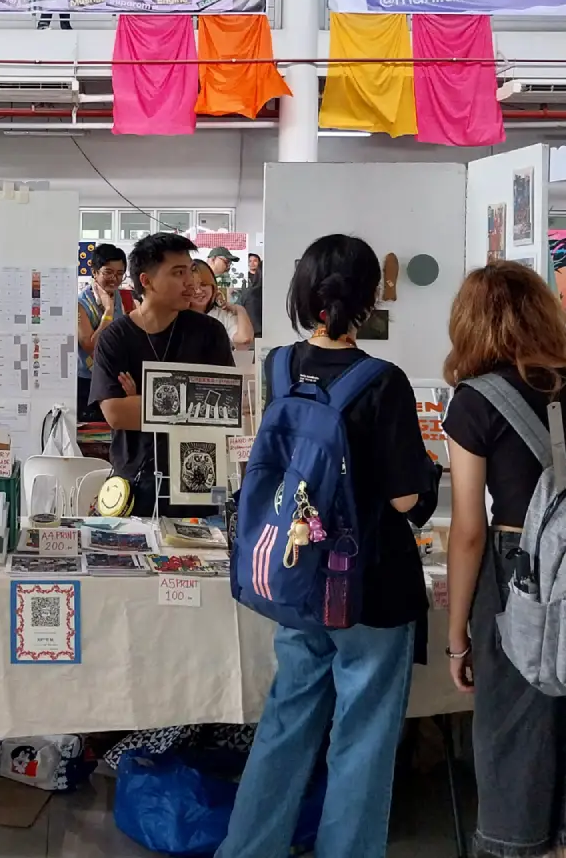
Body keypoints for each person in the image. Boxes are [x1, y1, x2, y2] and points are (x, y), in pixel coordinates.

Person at [218, 235, 438, 858]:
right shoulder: (382, 381)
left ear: (301, 291)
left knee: (284, 727)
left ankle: (247, 849)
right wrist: (427, 478)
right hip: (369, 585)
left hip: (296, 574)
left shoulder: (278, 366)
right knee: (361, 740)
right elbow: (403, 501)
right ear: (369, 298)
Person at [441, 261, 566, 858]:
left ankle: (512, 843)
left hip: (513, 572)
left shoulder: (475, 400)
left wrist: (458, 639)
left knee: (514, 729)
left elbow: (469, 531)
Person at [89, 233, 234, 515]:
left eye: (190, 271)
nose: (190, 282)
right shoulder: (115, 338)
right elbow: (117, 414)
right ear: (146, 280)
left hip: (197, 482)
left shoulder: (209, 333)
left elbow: (224, 406)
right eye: (178, 273)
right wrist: (194, 398)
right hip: (134, 485)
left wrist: (142, 397)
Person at [76, 243, 127, 421]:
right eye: (108, 272)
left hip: (118, 381)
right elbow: (92, 347)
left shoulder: (126, 298)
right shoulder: (80, 304)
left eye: (120, 273)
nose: (114, 278)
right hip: (87, 383)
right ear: (95, 272)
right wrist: (108, 312)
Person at [190, 258, 255, 351]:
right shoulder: (174, 315)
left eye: (204, 284)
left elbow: (244, 339)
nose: (199, 291)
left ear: (213, 285)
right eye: (193, 286)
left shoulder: (223, 315)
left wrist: (240, 309)